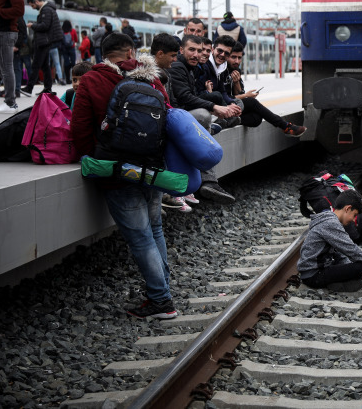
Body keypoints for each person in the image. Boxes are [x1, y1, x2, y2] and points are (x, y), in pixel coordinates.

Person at [70, 32, 178, 319]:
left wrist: (90, 159)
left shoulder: (92, 80)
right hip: (154, 168)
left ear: (102, 54)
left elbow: (79, 129)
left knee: (140, 237)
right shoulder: (151, 78)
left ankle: (161, 301)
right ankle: (163, 289)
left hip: (117, 171)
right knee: (154, 229)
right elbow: (168, 116)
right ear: (131, 51)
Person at [167, 34, 240, 203]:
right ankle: (208, 181)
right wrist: (215, 107)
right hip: (174, 117)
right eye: (191, 50)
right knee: (203, 115)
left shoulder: (192, 68)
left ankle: (207, 181)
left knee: (241, 106)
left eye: (199, 51)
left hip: (181, 115)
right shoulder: (179, 67)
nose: (196, 54)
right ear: (181, 50)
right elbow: (185, 97)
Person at [212, 36, 306, 137]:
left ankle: (229, 122)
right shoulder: (221, 70)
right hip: (221, 107)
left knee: (256, 118)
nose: (237, 61)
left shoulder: (236, 70)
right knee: (251, 102)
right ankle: (285, 126)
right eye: (233, 57)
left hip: (233, 107)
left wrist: (236, 83)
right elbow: (223, 97)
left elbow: (238, 95)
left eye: (239, 58)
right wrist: (245, 96)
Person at [150, 33, 199, 213]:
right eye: (172, 55)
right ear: (160, 54)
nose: (175, 59)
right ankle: (167, 194)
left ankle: (168, 194)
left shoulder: (165, 74)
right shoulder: (148, 75)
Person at [297, 190, 362, 292]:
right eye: (354, 215)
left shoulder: (330, 220)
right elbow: (351, 249)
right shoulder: (331, 223)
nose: (353, 219)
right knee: (361, 266)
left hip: (316, 270)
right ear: (347, 208)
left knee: (356, 269)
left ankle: (338, 283)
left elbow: (340, 254)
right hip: (314, 275)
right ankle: (335, 284)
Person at [24, 0, 63, 96]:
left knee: (36, 65)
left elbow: (45, 26)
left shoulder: (46, 10)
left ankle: (29, 88)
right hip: (45, 41)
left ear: (36, 1)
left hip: (44, 41)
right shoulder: (47, 9)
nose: (33, 8)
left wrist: (33, 25)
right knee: (45, 66)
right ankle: (48, 88)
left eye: (32, 5)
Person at [13, 14, 31, 98]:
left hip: (18, 49)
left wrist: (17, 45)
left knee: (17, 68)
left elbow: (22, 32)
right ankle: (15, 88)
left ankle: (16, 89)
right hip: (21, 50)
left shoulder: (18, 17)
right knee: (19, 68)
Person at [60, 19, 79, 84]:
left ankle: (67, 79)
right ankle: (74, 79)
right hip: (72, 48)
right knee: (73, 64)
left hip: (64, 49)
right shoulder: (73, 31)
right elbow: (76, 40)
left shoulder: (62, 31)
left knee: (66, 64)